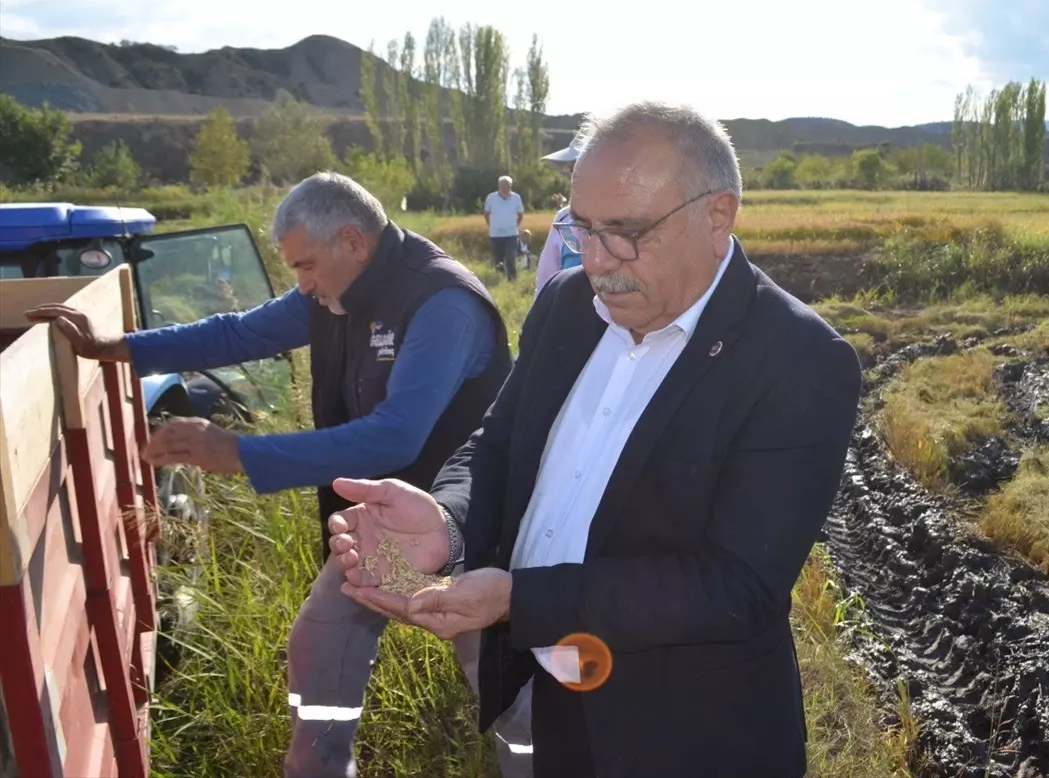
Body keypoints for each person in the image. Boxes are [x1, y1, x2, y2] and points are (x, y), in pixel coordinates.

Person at [325, 103, 864, 777]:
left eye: (627, 232)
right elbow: (498, 443)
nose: (598, 260)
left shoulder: (799, 360)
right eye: (582, 228)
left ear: (718, 214)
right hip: (554, 696)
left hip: (690, 732)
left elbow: (736, 583)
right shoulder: (565, 304)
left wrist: (521, 599)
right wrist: (447, 520)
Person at [24, 172, 534, 778]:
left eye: (307, 265)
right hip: (380, 524)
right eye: (294, 269)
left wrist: (242, 453)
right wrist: (123, 347)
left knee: (496, 678)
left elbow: (399, 433)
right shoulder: (334, 293)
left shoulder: (442, 303)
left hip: (462, 528)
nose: (303, 284)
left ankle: (543, 760)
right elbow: (239, 331)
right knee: (320, 642)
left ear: (353, 241)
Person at [534, 135, 587, 297]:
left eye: (579, 168)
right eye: (572, 170)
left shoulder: (632, 220)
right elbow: (546, 280)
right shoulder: (564, 219)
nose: (574, 178)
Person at [484, 175, 524, 282]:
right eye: (503, 186)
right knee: (498, 260)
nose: (506, 188)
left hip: (511, 234)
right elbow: (486, 214)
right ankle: (500, 279)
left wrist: (514, 225)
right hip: (495, 235)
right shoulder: (491, 198)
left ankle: (512, 280)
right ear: (499, 186)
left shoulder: (516, 198)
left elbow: (520, 215)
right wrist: (492, 225)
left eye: (508, 186)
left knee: (511, 258)